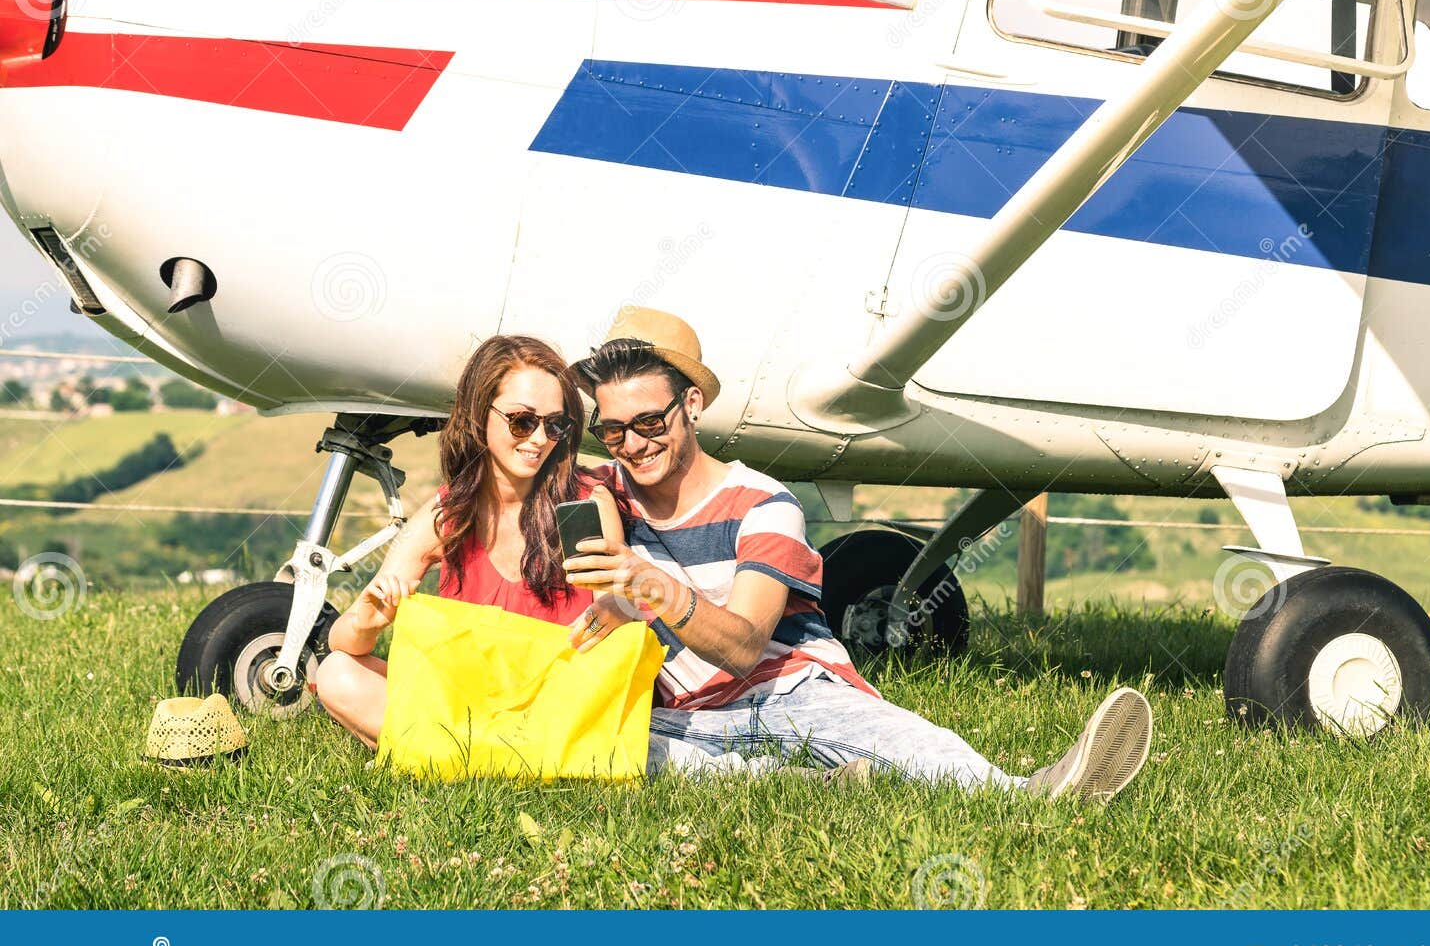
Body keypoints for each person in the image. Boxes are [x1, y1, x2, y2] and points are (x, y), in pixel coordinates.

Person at [563, 308, 1154, 799]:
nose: (632, 446)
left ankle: (1027, 790)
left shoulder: (764, 503)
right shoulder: (605, 491)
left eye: (647, 422)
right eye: (612, 431)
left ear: (691, 405)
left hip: (785, 688)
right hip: (682, 712)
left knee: (894, 737)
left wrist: (653, 586)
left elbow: (744, 647)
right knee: (613, 744)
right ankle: (802, 785)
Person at [316, 335, 619, 748]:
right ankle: (480, 756)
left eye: (555, 424)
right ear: (481, 413)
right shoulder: (447, 514)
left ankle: (449, 756)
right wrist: (368, 620)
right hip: (466, 706)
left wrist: (616, 605)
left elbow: (615, 622)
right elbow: (343, 641)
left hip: (559, 709)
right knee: (336, 674)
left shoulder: (585, 504)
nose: (538, 440)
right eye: (522, 420)